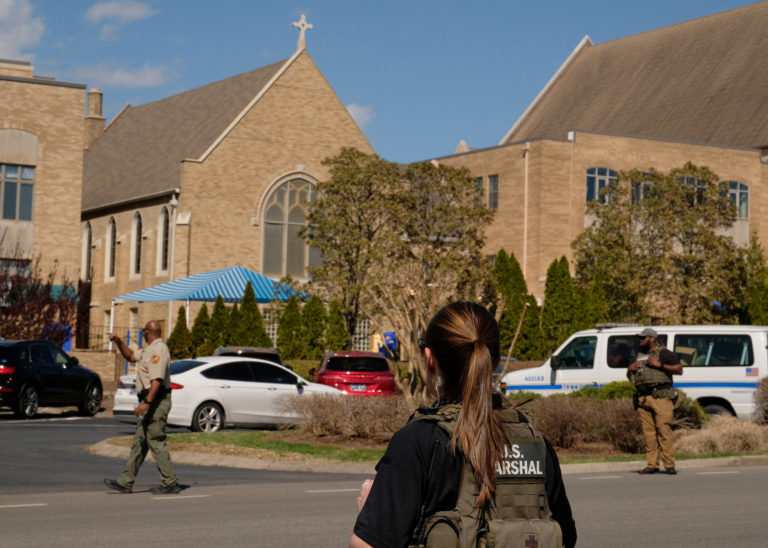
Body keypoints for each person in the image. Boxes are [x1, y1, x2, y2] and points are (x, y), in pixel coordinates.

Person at [350, 301, 577, 548]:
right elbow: (566, 537)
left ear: (429, 359)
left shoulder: (418, 441)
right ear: (496, 359)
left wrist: (372, 514)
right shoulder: (534, 442)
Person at [104, 320, 181, 494]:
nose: (142, 333)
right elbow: (131, 356)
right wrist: (118, 341)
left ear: (148, 332)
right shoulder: (149, 350)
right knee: (140, 442)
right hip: (150, 400)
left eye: (143, 331)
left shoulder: (159, 350)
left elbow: (157, 381)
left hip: (156, 400)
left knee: (155, 440)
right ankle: (126, 481)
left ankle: (170, 482)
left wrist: (147, 402)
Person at [626, 327, 683, 475]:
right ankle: (652, 464)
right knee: (649, 434)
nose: (640, 341)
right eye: (640, 338)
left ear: (652, 339)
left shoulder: (664, 353)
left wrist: (660, 365)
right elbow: (631, 377)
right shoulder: (639, 356)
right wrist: (630, 369)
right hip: (643, 398)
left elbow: (679, 369)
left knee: (664, 431)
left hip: (662, 398)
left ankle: (669, 465)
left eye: (643, 338)